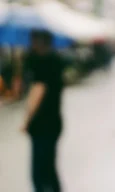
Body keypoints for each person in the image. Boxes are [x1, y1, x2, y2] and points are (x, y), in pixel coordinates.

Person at [21, 29, 65, 192]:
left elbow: (37, 91)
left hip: (41, 124)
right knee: (50, 169)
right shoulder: (56, 60)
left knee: (38, 174)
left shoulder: (42, 62)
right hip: (54, 122)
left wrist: (26, 121)